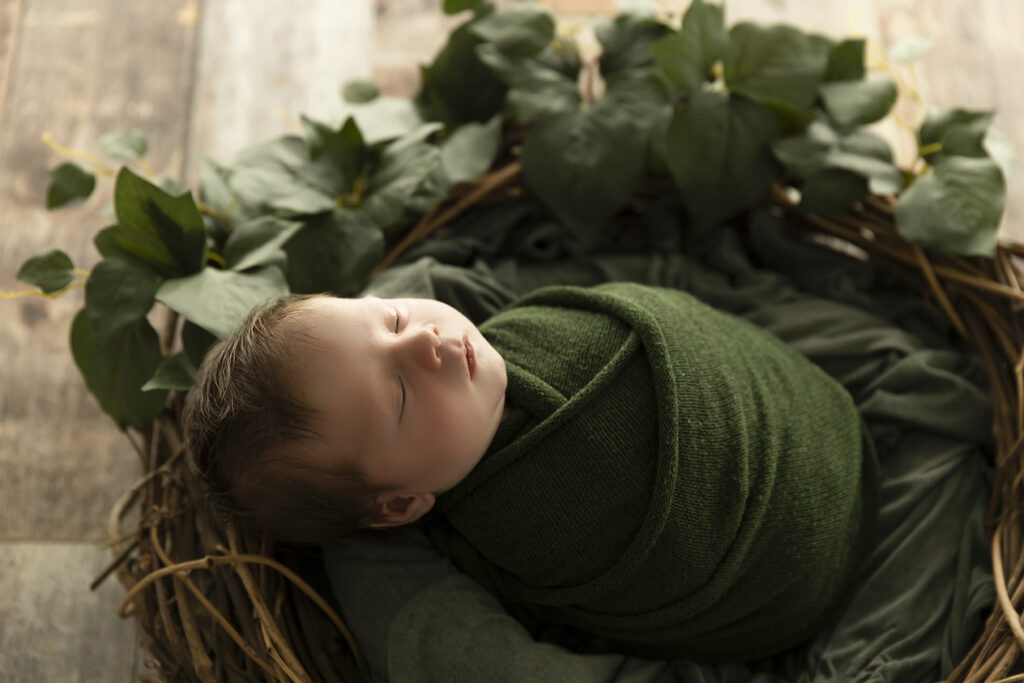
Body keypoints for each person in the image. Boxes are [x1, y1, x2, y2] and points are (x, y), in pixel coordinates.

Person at [182, 281, 880, 662]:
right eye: (397, 395)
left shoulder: (519, 323)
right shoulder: (502, 539)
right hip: (784, 576)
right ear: (399, 505)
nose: (426, 340)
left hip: (811, 426)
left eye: (390, 317)